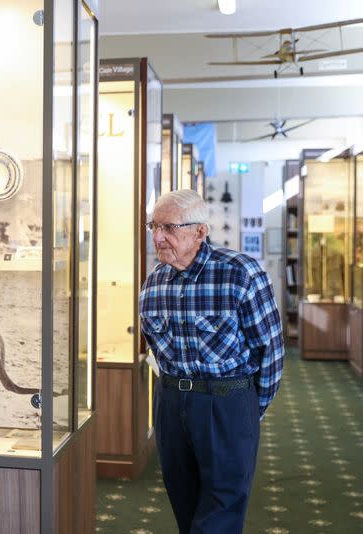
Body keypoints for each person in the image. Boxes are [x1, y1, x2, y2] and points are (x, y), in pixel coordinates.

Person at [139, 189, 283, 534]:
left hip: (226, 402)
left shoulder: (240, 273)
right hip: (171, 403)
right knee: (184, 503)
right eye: (153, 226)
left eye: (169, 227)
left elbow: (271, 352)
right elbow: (155, 350)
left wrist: (245, 408)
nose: (158, 237)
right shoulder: (154, 282)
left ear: (199, 232)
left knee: (221, 510)